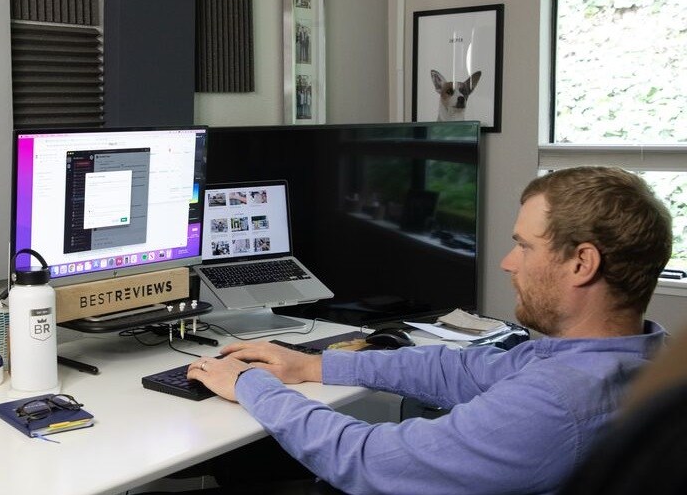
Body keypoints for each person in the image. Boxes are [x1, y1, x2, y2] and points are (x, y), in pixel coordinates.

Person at [186, 166, 672, 495]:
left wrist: (251, 384)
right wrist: (313, 363)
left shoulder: (558, 399)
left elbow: (366, 461)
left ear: (582, 263)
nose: (507, 262)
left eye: (524, 247)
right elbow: (464, 367)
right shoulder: (642, 355)